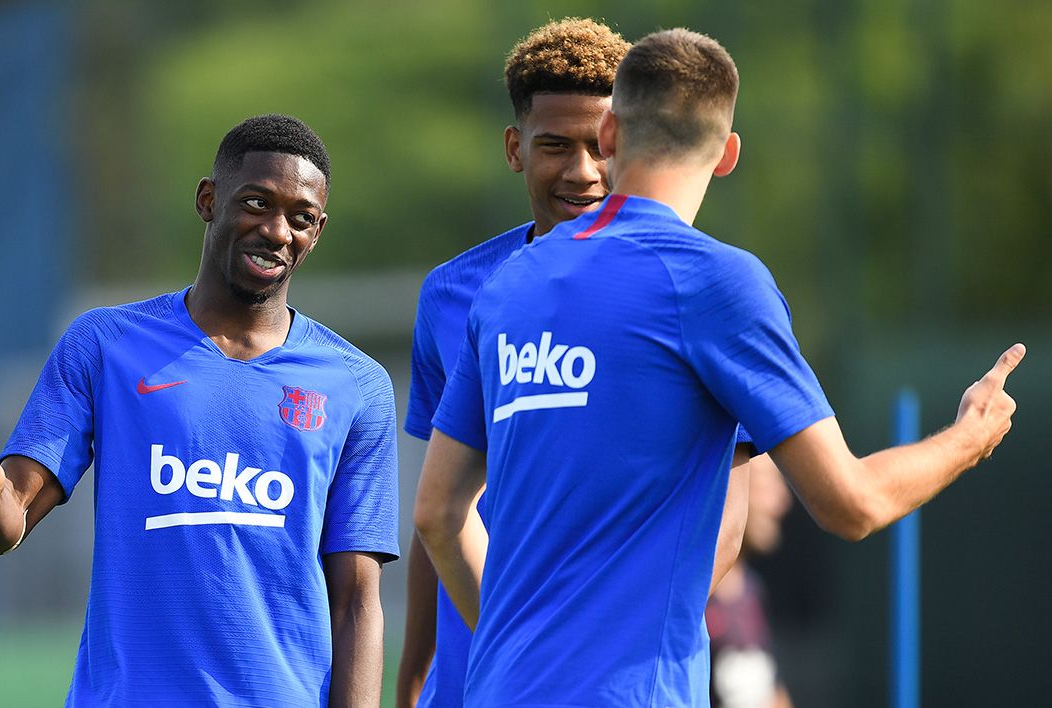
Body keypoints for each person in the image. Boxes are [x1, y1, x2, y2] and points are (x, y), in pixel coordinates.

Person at [415, 28, 1023, 706]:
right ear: (728, 153)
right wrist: (967, 439)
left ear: (610, 132)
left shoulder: (506, 286)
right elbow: (852, 503)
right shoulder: (716, 282)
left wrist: (516, 647)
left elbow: (438, 513)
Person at [0, 114, 399, 707]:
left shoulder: (357, 385)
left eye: (300, 218)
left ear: (317, 231)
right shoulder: (105, 345)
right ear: (209, 200)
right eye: (256, 203)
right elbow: (8, 522)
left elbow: (356, 599)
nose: (277, 231)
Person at [397, 19, 752, 707]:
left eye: (597, 145)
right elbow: (439, 509)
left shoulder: (686, 287)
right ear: (514, 148)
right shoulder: (453, 295)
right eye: (554, 146)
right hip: (477, 684)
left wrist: (576, 647)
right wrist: (413, 681)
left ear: (624, 139)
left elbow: (724, 524)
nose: (582, 171)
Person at [707, 456, 796, 708]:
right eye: (768, 484)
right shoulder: (688, 595)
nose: (782, 502)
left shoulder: (752, 590)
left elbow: (772, 693)